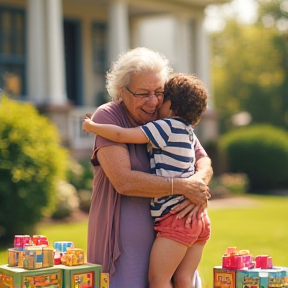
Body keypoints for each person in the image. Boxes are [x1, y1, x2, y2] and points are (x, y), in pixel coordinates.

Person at [85, 47, 213, 288]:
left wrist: (198, 186)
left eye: (159, 92)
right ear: (122, 91)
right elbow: (124, 181)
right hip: (125, 249)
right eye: (144, 93)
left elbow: (203, 161)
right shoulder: (108, 116)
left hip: (173, 237)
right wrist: (182, 186)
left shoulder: (167, 118)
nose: (153, 101)